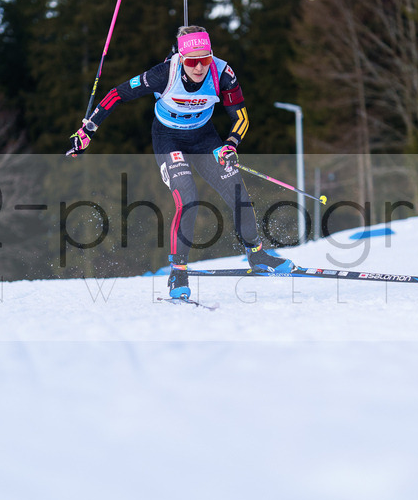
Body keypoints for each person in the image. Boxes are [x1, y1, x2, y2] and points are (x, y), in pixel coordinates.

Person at [68, 25, 295, 299]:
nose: (199, 67)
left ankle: (257, 255)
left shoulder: (223, 74)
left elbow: (242, 118)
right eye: (192, 61)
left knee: (237, 190)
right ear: (181, 57)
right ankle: (178, 272)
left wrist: (230, 144)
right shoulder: (164, 73)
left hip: (204, 137)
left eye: (205, 59)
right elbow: (118, 94)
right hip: (168, 137)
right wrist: (88, 129)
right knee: (187, 197)